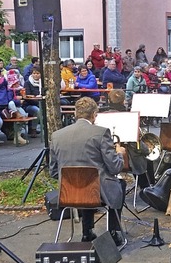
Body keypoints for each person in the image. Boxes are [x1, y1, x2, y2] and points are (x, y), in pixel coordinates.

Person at [49, 97, 126, 246]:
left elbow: (53, 171)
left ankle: (87, 232)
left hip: (68, 194)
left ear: (75, 113)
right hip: (96, 193)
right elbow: (115, 167)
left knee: (85, 184)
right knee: (118, 184)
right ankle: (114, 232)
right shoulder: (102, 133)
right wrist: (119, 154)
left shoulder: (56, 135)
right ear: (94, 114)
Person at [23, 68, 43, 138]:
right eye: (34, 73)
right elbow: (27, 96)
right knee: (37, 110)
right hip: (29, 104)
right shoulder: (27, 83)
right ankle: (33, 129)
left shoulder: (42, 82)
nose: (36, 75)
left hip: (41, 102)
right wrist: (36, 99)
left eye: (37, 73)